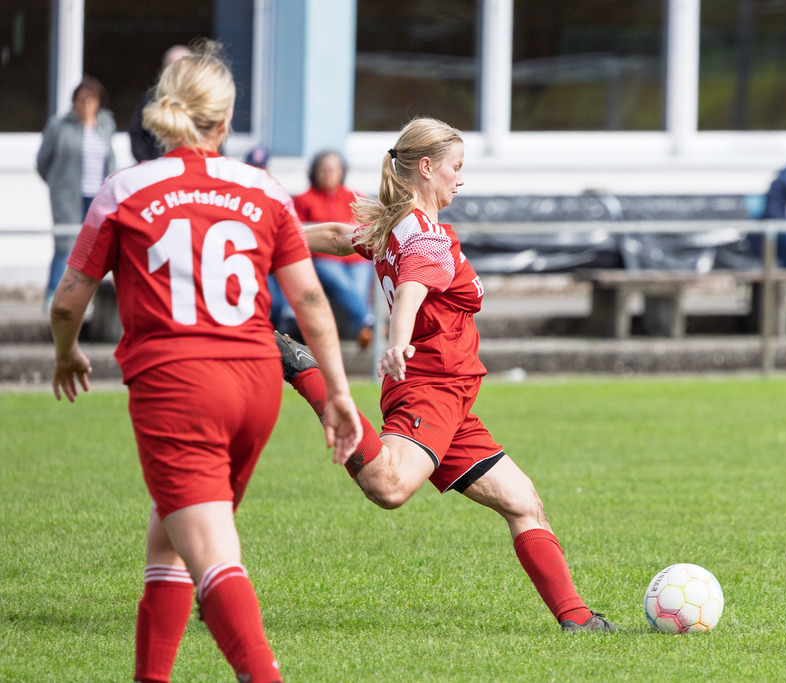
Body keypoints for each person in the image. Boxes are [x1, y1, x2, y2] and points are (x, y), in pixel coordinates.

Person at [49, 41, 362, 683]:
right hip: (256, 383)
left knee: (213, 553)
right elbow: (309, 299)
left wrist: (66, 352)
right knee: (171, 536)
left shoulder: (123, 189)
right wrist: (337, 392)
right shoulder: (264, 188)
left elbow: (67, 300)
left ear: (161, 113)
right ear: (223, 123)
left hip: (179, 383)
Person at [276, 117, 618, 632]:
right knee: (388, 486)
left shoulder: (397, 224)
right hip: (429, 389)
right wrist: (396, 343)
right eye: (456, 168)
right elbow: (412, 287)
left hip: (453, 397)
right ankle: (304, 370)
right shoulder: (427, 234)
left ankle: (578, 620)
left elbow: (336, 236)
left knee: (523, 501)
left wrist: (268, 240)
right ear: (427, 168)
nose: (462, 179)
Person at [36, 75, 117, 309]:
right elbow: (43, 162)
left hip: (97, 196)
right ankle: (53, 295)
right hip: (68, 197)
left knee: (92, 248)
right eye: (82, 101)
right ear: (74, 102)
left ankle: (82, 298)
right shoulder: (59, 126)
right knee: (65, 247)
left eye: (91, 101)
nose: (86, 106)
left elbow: (109, 159)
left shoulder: (105, 125)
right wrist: (56, 184)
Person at [293, 150, 375, 348]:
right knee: (341, 282)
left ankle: (363, 326)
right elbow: (297, 233)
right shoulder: (303, 199)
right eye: (324, 169)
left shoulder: (354, 196)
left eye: (333, 169)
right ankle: (368, 321)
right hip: (323, 257)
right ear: (315, 171)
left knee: (357, 286)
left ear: (341, 172)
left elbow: (366, 227)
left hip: (356, 257)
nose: (328, 173)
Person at [129, 44, 191, 162]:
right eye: (170, 66)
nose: (175, 71)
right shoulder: (150, 98)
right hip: (157, 165)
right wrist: (147, 161)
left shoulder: (199, 99)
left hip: (191, 168)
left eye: (180, 67)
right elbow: (136, 134)